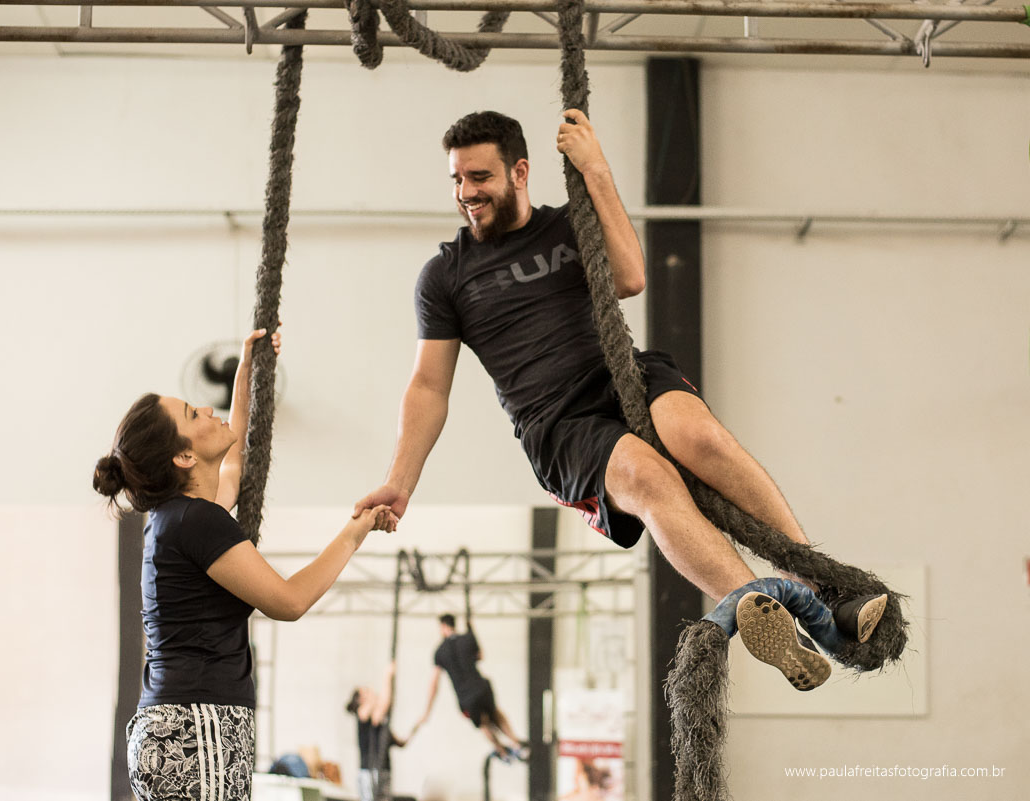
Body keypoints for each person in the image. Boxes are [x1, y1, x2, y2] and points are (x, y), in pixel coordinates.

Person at [354, 110, 885, 690]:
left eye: (479, 177)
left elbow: (630, 277)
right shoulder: (446, 276)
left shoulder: (567, 226)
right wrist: (400, 482)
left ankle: (816, 586)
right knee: (648, 476)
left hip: (623, 376)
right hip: (560, 425)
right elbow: (428, 387)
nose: (466, 193)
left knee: (699, 437)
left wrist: (595, 169)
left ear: (520, 171)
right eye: (456, 180)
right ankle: (764, 613)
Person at [93, 326, 391, 801]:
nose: (207, 409)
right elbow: (289, 601)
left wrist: (247, 373)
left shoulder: (178, 517)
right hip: (196, 728)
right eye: (194, 413)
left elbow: (233, 469)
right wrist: (355, 533)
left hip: (177, 727)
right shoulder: (194, 522)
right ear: (185, 455)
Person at [416, 614, 523, 759]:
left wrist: (426, 712)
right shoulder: (467, 638)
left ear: (442, 627)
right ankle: (516, 744)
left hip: (466, 696)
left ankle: (503, 753)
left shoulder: (440, 652)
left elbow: (434, 684)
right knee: (495, 713)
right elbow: (480, 656)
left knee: (483, 724)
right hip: (482, 687)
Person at [346, 660, 410, 801]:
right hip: (370, 772)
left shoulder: (377, 719)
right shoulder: (362, 714)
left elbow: (384, 704)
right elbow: (384, 703)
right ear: (361, 699)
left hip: (382, 771)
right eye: (367, 692)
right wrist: (387, 676)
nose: (372, 692)